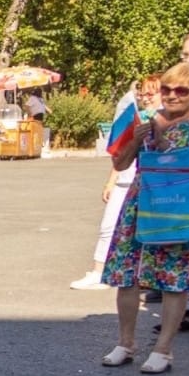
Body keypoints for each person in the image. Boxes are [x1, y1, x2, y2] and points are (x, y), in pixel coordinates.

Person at [99, 63, 189, 374]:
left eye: (181, 91)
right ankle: (125, 342)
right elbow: (121, 162)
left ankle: (163, 348)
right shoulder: (147, 119)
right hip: (141, 202)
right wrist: (137, 140)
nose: (171, 96)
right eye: (166, 89)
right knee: (127, 273)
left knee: (173, 277)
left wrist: (163, 142)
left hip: (178, 205)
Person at [73, 76, 158, 289]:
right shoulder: (135, 118)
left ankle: (149, 279)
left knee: (150, 232)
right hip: (126, 179)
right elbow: (120, 155)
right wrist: (111, 181)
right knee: (109, 226)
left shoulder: (167, 122)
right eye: (143, 94)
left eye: (151, 93)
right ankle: (99, 271)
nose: (145, 98)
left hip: (152, 184)